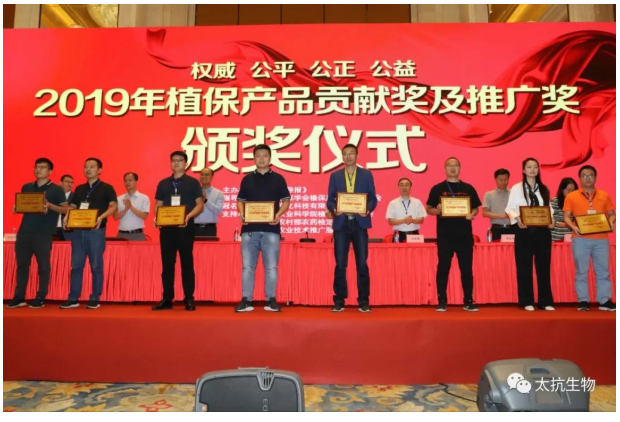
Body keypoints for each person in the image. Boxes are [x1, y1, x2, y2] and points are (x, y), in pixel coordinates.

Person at [235, 144, 291, 312]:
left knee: (271, 267)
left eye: (264, 155)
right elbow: (240, 201)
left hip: (271, 230)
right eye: (258, 155)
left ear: (270, 158)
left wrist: (278, 214)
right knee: (247, 267)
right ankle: (246, 300)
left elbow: (286, 201)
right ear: (254, 158)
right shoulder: (246, 179)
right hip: (249, 230)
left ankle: (270, 299)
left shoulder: (279, 178)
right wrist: (242, 214)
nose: (261, 158)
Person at [7, 158, 68, 309]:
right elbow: (24, 204)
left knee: (43, 266)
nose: (39, 169)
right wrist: (17, 208)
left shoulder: (56, 189)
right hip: (24, 232)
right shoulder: (27, 187)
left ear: (50, 171)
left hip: (43, 233)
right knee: (22, 265)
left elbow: (66, 209)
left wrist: (50, 206)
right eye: (37, 167)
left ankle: (41, 296)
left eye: (43, 167)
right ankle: (19, 296)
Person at [60, 158, 118, 309]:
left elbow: (114, 207)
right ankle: (73, 298)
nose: (88, 169)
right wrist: (67, 217)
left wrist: (101, 217)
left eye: (92, 167)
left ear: (99, 170)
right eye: (86, 167)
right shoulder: (80, 188)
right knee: (76, 266)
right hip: (78, 231)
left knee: (96, 266)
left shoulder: (107, 188)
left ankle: (95, 297)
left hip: (96, 232)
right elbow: (72, 207)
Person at [326, 144, 378, 313]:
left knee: (362, 263)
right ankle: (339, 300)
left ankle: (363, 300)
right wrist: (334, 208)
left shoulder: (366, 174)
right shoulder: (335, 176)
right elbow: (330, 199)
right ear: (342, 156)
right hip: (341, 224)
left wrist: (367, 209)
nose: (348, 156)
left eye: (351, 153)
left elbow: (372, 198)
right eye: (345, 154)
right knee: (340, 264)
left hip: (359, 223)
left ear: (357, 155)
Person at [426, 157, 481, 312]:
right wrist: (437, 210)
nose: (453, 168)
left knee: (466, 269)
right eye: (449, 165)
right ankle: (442, 300)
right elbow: (429, 209)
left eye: (455, 165)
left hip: (464, 236)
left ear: (460, 168)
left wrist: (472, 214)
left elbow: (476, 208)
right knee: (443, 268)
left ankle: (468, 300)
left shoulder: (468, 188)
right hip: (445, 236)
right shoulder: (437, 188)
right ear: (445, 168)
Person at [152, 151, 204, 311]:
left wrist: (188, 216)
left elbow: (200, 205)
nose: (176, 163)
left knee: (187, 263)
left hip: (185, 228)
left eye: (180, 160)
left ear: (185, 164)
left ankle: (189, 298)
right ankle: (167, 298)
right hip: (167, 230)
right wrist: (157, 217)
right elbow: (158, 204)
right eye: (173, 160)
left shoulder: (193, 183)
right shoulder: (163, 183)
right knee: (167, 265)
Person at [563, 165, 616, 312]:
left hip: (601, 239)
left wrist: (611, 222)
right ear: (579, 178)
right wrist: (573, 227)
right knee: (581, 270)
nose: (588, 178)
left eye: (591, 175)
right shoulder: (571, 196)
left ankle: (604, 300)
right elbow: (566, 216)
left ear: (595, 177)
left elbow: (612, 214)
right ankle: (583, 300)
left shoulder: (604, 195)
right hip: (580, 238)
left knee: (603, 270)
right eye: (584, 175)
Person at [505, 158, 555, 312]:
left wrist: (552, 220)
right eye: (529, 167)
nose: (532, 169)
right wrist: (517, 218)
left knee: (544, 267)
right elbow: (509, 209)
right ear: (523, 170)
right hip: (524, 231)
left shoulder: (544, 188)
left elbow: (549, 208)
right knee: (524, 267)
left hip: (542, 232)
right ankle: (527, 300)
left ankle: (545, 301)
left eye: (535, 167)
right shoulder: (517, 188)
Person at [386, 177, 426, 242]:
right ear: (398, 187)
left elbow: (421, 220)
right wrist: (404, 220)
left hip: (414, 235)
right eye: (402, 185)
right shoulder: (393, 203)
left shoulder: (417, 202)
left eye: (407, 185)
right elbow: (390, 221)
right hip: (398, 235)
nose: (404, 187)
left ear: (410, 187)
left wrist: (412, 220)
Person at [113, 172, 150, 241]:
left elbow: (144, 216)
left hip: (138, 235)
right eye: (125, 181)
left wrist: (130, 207)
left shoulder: (144, 198)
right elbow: (115, 217)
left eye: (130, 180)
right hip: (121, 234)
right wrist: (125, 209)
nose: (127, 183)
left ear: (136, 182)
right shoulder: (119, 198)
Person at [482, 168, 514, 241]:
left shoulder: (513, 193)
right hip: (496, 229)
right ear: (495, 179)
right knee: (496, 248)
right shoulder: (489, 194)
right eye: (501, 180)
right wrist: (502, 216)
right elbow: (484, 213)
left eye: (506, 180)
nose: (503, 182)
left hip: (512, 228)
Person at [194, 167, 224, 237]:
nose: (204, 177)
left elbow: (218, 211)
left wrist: (206, 200)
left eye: (207, 175)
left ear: (212, 177)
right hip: (194, 227)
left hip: (209, 228)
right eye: (202, 174)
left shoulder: (218, 193)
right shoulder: (193, 191)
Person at [550, 177, 577, 242]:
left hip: (571, 238)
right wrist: (569, 224)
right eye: (568, 190)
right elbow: (552, 220)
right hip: (555, 238)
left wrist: (566, 225)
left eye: (573, 190)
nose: (571, 193)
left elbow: (579, 222)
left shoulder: (577, 203)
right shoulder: (555, 201)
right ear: (562, 190)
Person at [55, 174, 74, 240]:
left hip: (67, 230)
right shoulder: (53, 196)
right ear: (60, 183)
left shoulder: (75, 197)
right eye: (67, 181)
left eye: (71, 182)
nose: (69, 184)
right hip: (53, 228)